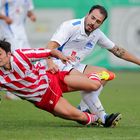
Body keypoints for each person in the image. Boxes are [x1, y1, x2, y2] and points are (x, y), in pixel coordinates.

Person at [45, 5, 140, 125]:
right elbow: (49, 47)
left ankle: (83, 109)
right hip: (58, 64)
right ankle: (103, 117)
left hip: (73, 66)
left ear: (101, 24)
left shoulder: (97, 34)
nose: (93, 23)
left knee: (104, 74)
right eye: (92, 18)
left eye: (98, 21)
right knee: (89, 82)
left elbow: (118, 51)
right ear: (87, 15)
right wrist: (49, 63)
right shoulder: (70, 26)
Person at [0, 39, 120, 127]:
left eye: (0, 54)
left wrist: (61, 56)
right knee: (82, 118)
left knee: (94, 85)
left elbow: (50, 52)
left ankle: (94, 77)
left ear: (9, 54)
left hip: (52, 79)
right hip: (45, 98)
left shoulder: (21, 55)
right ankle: (98, 119)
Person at [0, 0, 36, 99]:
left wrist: (31, 15)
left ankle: (27, 87)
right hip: (9, 31)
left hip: (21, 32)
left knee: (28, 58)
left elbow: (28, 10)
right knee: (13, 59)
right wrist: (5, 18)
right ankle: (10, 92)